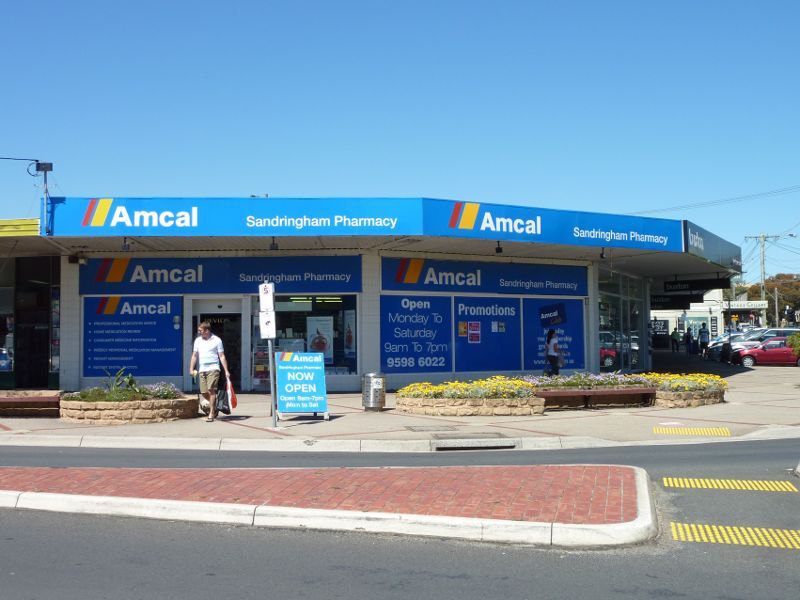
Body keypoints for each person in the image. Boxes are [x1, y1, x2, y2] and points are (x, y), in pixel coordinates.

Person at [189, 321, 231, 422]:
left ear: (207, 330)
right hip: (202, 369)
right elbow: (194, 355)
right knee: (204, 392)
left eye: (200, 330)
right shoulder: (198, 341)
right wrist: (191, 369)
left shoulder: (217, 340)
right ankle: (215, 406)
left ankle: (211, 413)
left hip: (214, 368)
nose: (199, 332)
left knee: (211, 390)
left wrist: (226, 370)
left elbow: (221, 356)